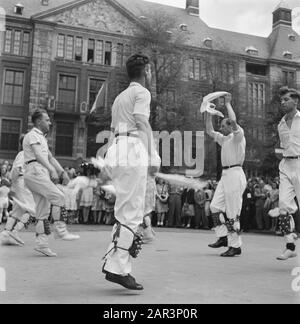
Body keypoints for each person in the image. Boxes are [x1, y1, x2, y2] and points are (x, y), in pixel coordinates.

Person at [102, 53, 160, 290]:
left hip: (117, 147)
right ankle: (119, 268)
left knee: (124, 209)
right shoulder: (142, 93)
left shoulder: (119, 97)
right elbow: (142, 122)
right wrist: (153, 154)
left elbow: (114, 129)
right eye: (151, 70)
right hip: (132, 148)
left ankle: (114, 262)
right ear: (146, 70)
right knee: (132, 212)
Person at [23, 109, 79, 257]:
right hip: (36, 170)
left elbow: (50, 157)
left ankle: (42, 244)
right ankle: (61, 231)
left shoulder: (42, 138)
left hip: (36, 171)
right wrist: (51, 170)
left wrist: (61, 171)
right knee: (58, 196)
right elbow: (38, 155)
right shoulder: (33, 135)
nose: (49, 122)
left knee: (43, 210)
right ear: (39, 121)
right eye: (47, 120)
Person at [205, 93, 247, 257]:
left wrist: (228, 104)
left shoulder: (238, 137)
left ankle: (235, 246)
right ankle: (223, 237)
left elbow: (234, 121)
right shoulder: (225, 139)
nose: (221, 128)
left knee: (232, 212)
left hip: (236, 174)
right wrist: (208, 112)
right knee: (215, 207)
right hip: (226, 175)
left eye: (223, 125)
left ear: (230, 126)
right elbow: (209, 130)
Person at [275, 86, 300, 260]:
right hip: (285, 165)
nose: (282, 103)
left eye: (286, 100)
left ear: (296, 101)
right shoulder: (281, 124)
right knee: (283, 205)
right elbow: (282, 146)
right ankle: (290, 245)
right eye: (281, 100)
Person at [1, 134, 36, 246]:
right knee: (33, 211)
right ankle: (15, 231)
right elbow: (17, 169)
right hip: (21, 183)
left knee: (17, 210)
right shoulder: (24, 154)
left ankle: (6, 233)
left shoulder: (24, 154)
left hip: (19, 183)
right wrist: (12, 184)